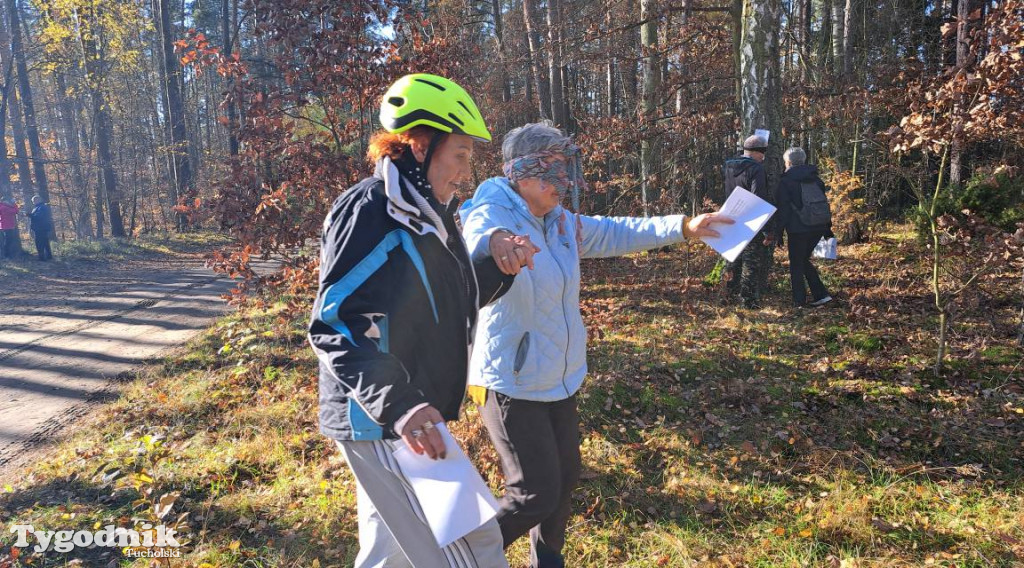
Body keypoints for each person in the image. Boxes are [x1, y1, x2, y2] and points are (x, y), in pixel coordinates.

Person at [459, 121, 733, 568]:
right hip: (510, 382)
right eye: (552, 171)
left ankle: (547, 564)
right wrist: (498, 242)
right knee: (533, 494)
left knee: (563, 483)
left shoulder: (562, 223)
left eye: (566, 170)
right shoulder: (496, 207)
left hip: (560, 379)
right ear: (522, 173)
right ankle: (457, 556)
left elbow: (617, 231)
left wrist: (685, 226)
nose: (563, 183)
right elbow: (477, 227)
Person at [308, 73, 536, 568]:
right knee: (473, 548)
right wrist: (400, 406)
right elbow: (334, 323)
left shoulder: (425, 212)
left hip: (404, 409)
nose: (465, 172)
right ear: (417, 145)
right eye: (460, 155)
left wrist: (497, 268)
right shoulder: (372, 210)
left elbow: (444, 302)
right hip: (385, 418)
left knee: (386, 555)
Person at [774, 147, 833, 307]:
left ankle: (799, 301)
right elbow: (824, 205)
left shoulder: (786, 182)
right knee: (802, 260)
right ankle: (821, 294)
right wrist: (828, 229)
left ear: (788, 162)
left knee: (796, 263)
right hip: (818, 226)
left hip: (798, 229)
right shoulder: (816, 179)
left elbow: (784, 209)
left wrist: (778, 233)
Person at [723, 134, 775, 308]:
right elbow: (758, 200)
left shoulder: (729, 166)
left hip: (731, 217)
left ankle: (727, 295)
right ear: (756, 152)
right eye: (762, 153)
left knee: (732, 259)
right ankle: (748, 301)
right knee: (750, 263)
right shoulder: (757, 169)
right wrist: (767, 230)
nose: (763, 157)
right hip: (750, 222)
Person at [28, 195, 53, 261]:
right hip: (42, 227)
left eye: (33, 201)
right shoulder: (40, 207)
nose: (33, 202)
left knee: (39, 242)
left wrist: (30, 215)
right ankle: (48, 256)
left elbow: (38, 217)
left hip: (40, 228)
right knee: (45, 242)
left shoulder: (41, 207)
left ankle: (41, 257)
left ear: (37, 200)